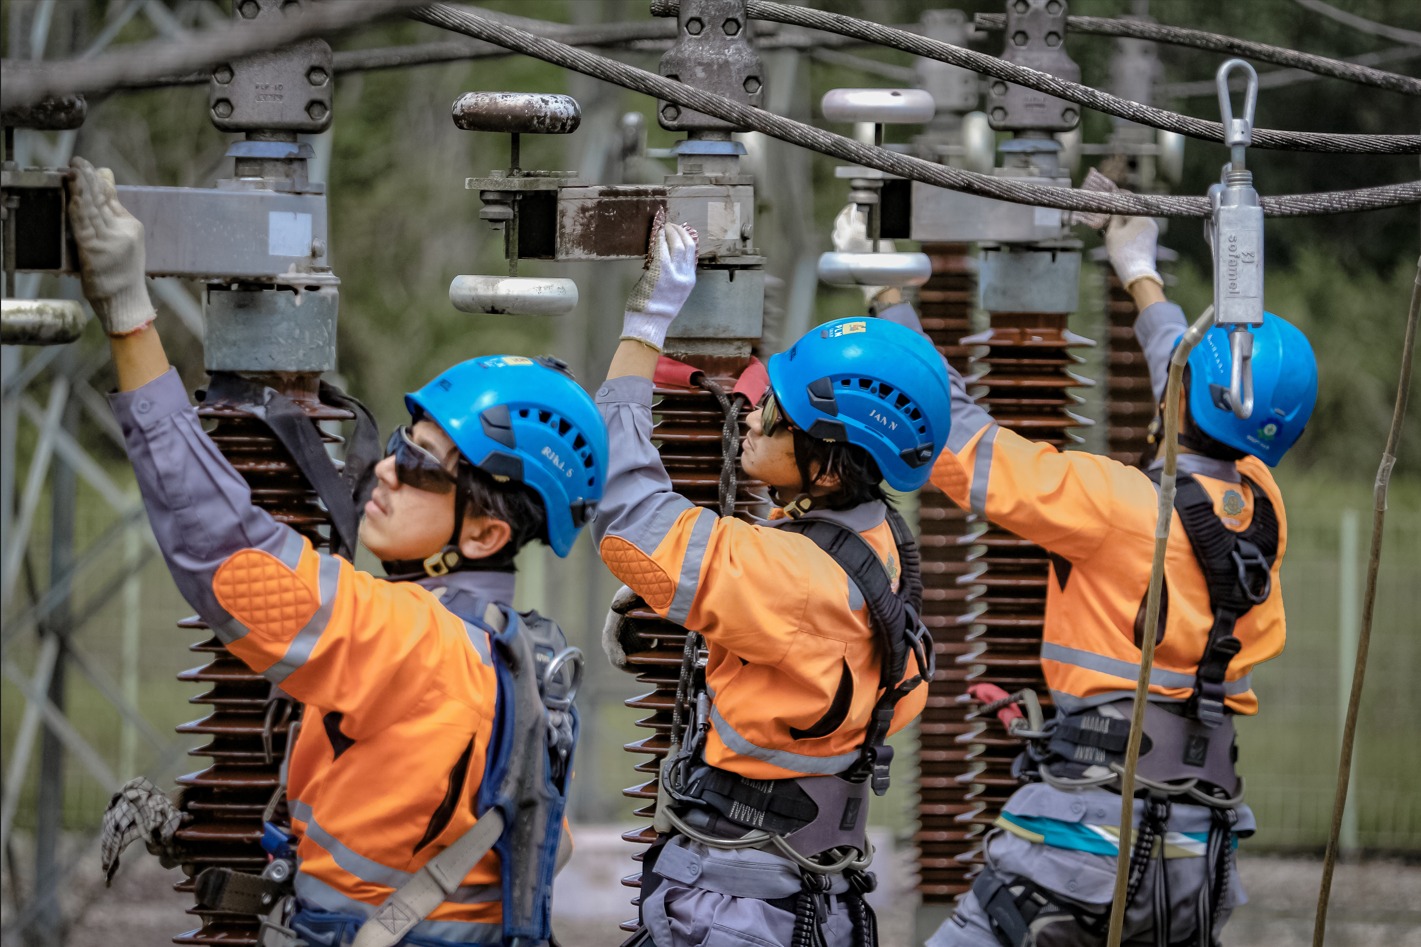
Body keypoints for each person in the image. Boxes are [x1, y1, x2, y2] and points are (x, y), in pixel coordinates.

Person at [70, 156, 608, 947]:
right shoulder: (521, 652)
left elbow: (227, 552)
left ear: (485, 533)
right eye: (398, 445)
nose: (385, 471)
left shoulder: (416, 643)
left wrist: (128, 318)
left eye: (420, 464)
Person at [878, 193, 1316, 947]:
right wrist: (1140, 274)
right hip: (1199, 848)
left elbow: (961, 443)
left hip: (1085, 839)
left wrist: (890, 303)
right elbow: (1193, 388)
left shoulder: (1118, 505)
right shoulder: (1260, 500)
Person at [594, 212, 954, 947]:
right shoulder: (877, 540)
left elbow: (627, 511)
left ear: (829, 466)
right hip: (801, 893)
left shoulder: (792, 575)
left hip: (738, 907)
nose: (753, 419)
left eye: (776, 415)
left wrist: (643, 326)